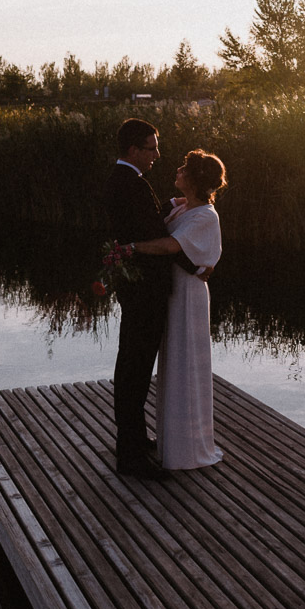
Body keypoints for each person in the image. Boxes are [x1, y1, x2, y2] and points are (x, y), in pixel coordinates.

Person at [103, 119, 205, 479]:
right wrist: (194, 267)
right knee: (134, 371)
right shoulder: (130, 184)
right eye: (151, 147)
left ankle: (133, 439)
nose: (157, 155)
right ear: (133, 150)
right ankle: (129, 457)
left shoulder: (125, 182)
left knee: (133, 367)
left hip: (136, 290)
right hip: (144, 291)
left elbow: (145, 223)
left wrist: (168, 206)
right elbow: (156, 240)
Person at [147, 151, 226, 470]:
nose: (177, 170)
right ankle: (171, 439)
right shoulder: (180, 205)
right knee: (173, 360)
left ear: (194, 179)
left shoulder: (206, 215)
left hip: (188, 294)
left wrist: (129, 248)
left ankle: (188, 447)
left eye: (184, 169)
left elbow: (170, 246)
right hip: (174, 291)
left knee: (186, 363)